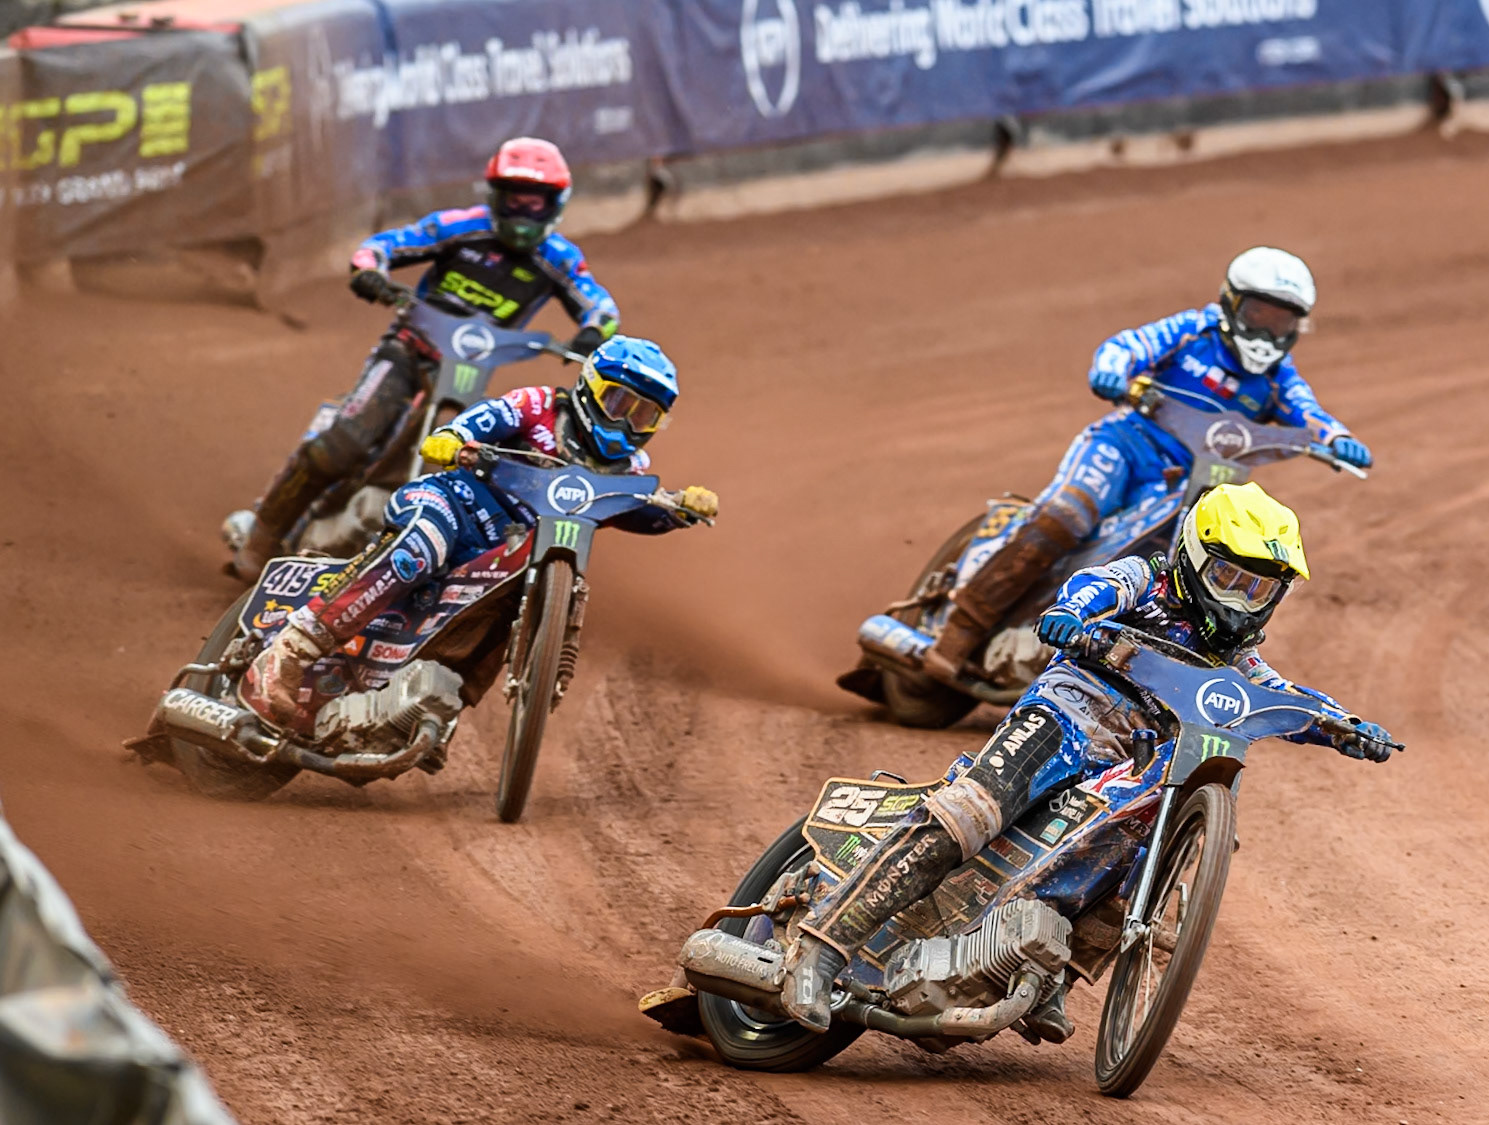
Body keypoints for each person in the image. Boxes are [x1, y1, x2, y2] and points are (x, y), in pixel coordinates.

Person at [781, 481, 1395, 1032]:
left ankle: (1046, 972)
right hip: (1067, 715)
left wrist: (1342, 725)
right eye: (1229, 579)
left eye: (1257, 587)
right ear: (1194, 560)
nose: (1239, 601)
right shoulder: (1146, 582)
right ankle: (820, 947)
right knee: (973, 812)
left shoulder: (1234, 660)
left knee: (1139, 853)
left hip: (1129, 756)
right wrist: (1073, 614)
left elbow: (1283, 695)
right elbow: (1097, 583)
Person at [923, 246, 1372, 680]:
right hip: (1125, 446)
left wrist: (1338, 438)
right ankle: (958, 632)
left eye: (1282, 321)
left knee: (1173, 565)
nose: (1267, 332)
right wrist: (1112, 369)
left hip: (1181, 481)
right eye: (1259, 315)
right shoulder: (1194, 332)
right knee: (1067, 514)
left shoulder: (1278, 378)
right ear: (1233, 302)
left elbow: (1309, 412)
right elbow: (1130, 345)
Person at [239, 336, 718, 726]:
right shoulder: (537, 405)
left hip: (506, 554)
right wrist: (455, 439)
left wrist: (677, 510)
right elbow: (482, 419)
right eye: (618, 402)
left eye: (643, 415)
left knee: (509, 609)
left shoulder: (630, 466)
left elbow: (630, 510)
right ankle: (287, 653)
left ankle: (425, 712)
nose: (626, 423)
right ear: (590, 388)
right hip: (453, 504)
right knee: (420, 550)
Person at [229, 136, 621, 581]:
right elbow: (385, 245)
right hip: (409, 349)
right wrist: (370, 273)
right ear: (495, 196)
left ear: (555, 204)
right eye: (513, 200)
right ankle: (261, 536)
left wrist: (591, 333)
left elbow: (602, 308)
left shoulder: (560, 259)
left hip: (470, 372)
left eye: (534, 203)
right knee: (345, 443)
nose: (522, 212)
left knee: (471, 466)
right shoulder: (460, 225)